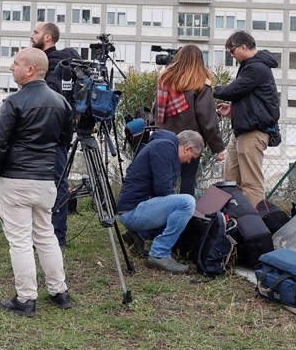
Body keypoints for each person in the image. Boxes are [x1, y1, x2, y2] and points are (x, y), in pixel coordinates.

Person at [0, 47, 74, 316]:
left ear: (30, 69)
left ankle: (26, 299)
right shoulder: (61, 102)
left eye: (16, 63)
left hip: (16, 179)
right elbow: (64, 142)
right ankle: (59, 292)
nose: (12, 67)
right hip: (45, 179)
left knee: (20, 241)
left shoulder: (14, 102)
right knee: (45, 235)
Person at [115, 129, 204, 274]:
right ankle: (159, 253)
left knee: (178, 205)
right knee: (187, 202)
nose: (188, 162)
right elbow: (163, 190)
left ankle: (138, 235)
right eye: (191, 157)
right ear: (188, 148)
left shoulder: (163, 144)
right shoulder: (165, 148)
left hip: (134, 209)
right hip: (132, 212)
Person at [213, 31, 280, 207]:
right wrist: (233, 109)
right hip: (241, 130)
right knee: (231, 181)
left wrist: (209, 87)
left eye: (232, 50)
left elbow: (232, 90)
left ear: (244, 47)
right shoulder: (250, 65)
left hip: (253, 131)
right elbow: (250, 97)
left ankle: (256, 226)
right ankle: (237, 221)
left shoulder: (257, 67)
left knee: (251, 184)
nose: (231, 54)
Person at [30, 22, 78, 245]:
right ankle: (44, 229)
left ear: (47, 37)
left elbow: (53, 98)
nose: (32, 35)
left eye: (36, 32)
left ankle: (57, 234)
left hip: (53, 132)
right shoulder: (51, 62)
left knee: (57, 181)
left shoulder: (55, 64)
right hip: (50, 131)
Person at [155, 45, 225, 196]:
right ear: (199, 61)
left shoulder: (165, 80)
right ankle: (185, 214)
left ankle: (160, 212)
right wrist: (218, 147)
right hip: (191, 141)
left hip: (164, 138)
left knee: (165, 178)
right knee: (188, 178)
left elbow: (156, 110)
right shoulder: (200, 84)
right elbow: (207, 119)